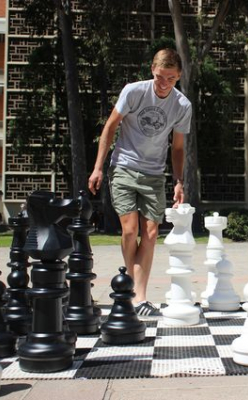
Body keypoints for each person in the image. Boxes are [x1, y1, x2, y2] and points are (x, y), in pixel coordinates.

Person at [88, 48, 192, 316]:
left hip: (154, 173)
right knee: (130, 230)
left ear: (178, 76)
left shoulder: (182, 106)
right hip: (123, 166)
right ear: (151, 70)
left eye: (170, 78)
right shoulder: (133, 91)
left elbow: (178, 148)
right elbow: (110, 127)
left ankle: (139, 296)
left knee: (152, 233)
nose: (163, 83)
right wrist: (98, 168)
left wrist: (179, 181)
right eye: (159, 77)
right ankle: (132, 290)